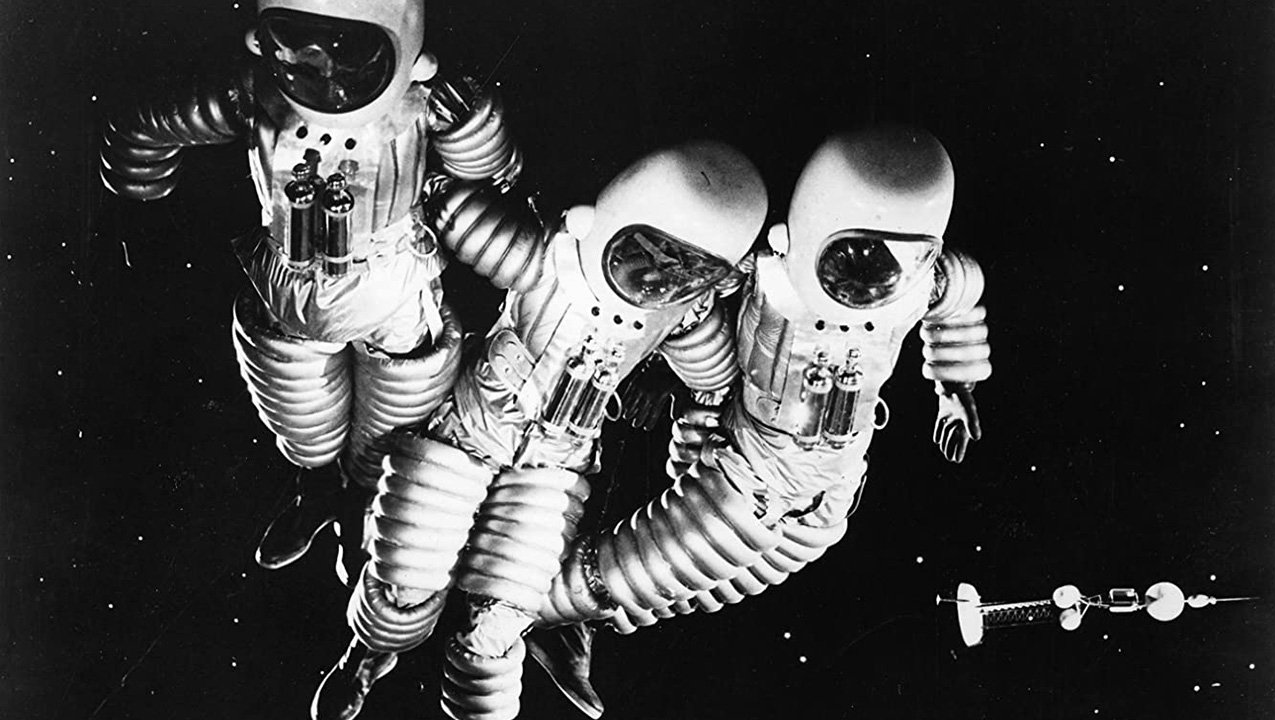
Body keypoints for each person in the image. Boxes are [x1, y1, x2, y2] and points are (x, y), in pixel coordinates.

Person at [532, 125, 994, 717]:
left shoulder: (921, 285)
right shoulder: (764, 276)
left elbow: (962, 301)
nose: (873, 284)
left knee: (716, 577)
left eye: (901, 260)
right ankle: (522, 610)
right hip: (747, 468)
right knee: (676, 557)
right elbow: (672, 294)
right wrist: (655, 377)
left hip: (832, 482)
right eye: (855, 258)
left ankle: (575, 623)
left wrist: (955, 384)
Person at [312, 140, 768, 720]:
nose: (657, 281)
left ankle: (479, 703)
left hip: (556, 465)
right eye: (647, 254)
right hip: (469, 431)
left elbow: (716, 373)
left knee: (504, 615)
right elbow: (460, 219)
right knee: (406, 575)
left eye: (685, 273)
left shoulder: (683, 312)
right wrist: (438, 181)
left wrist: (683, 393)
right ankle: (370, 652)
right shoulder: (552, 257)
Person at [99, 0, 523, 581]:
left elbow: (495, 172)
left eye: (351, 53)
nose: (327, 74)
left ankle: (362, 502)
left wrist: (472, 120)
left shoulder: (424, 105)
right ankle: (317, 488)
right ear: (263, 41)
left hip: (393, 283)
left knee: (398, 410)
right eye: (301, 47)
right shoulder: (256, 94)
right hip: (290, 280)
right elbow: (147, 125)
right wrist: (138, 198)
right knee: (299, 408)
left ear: (410, 55)